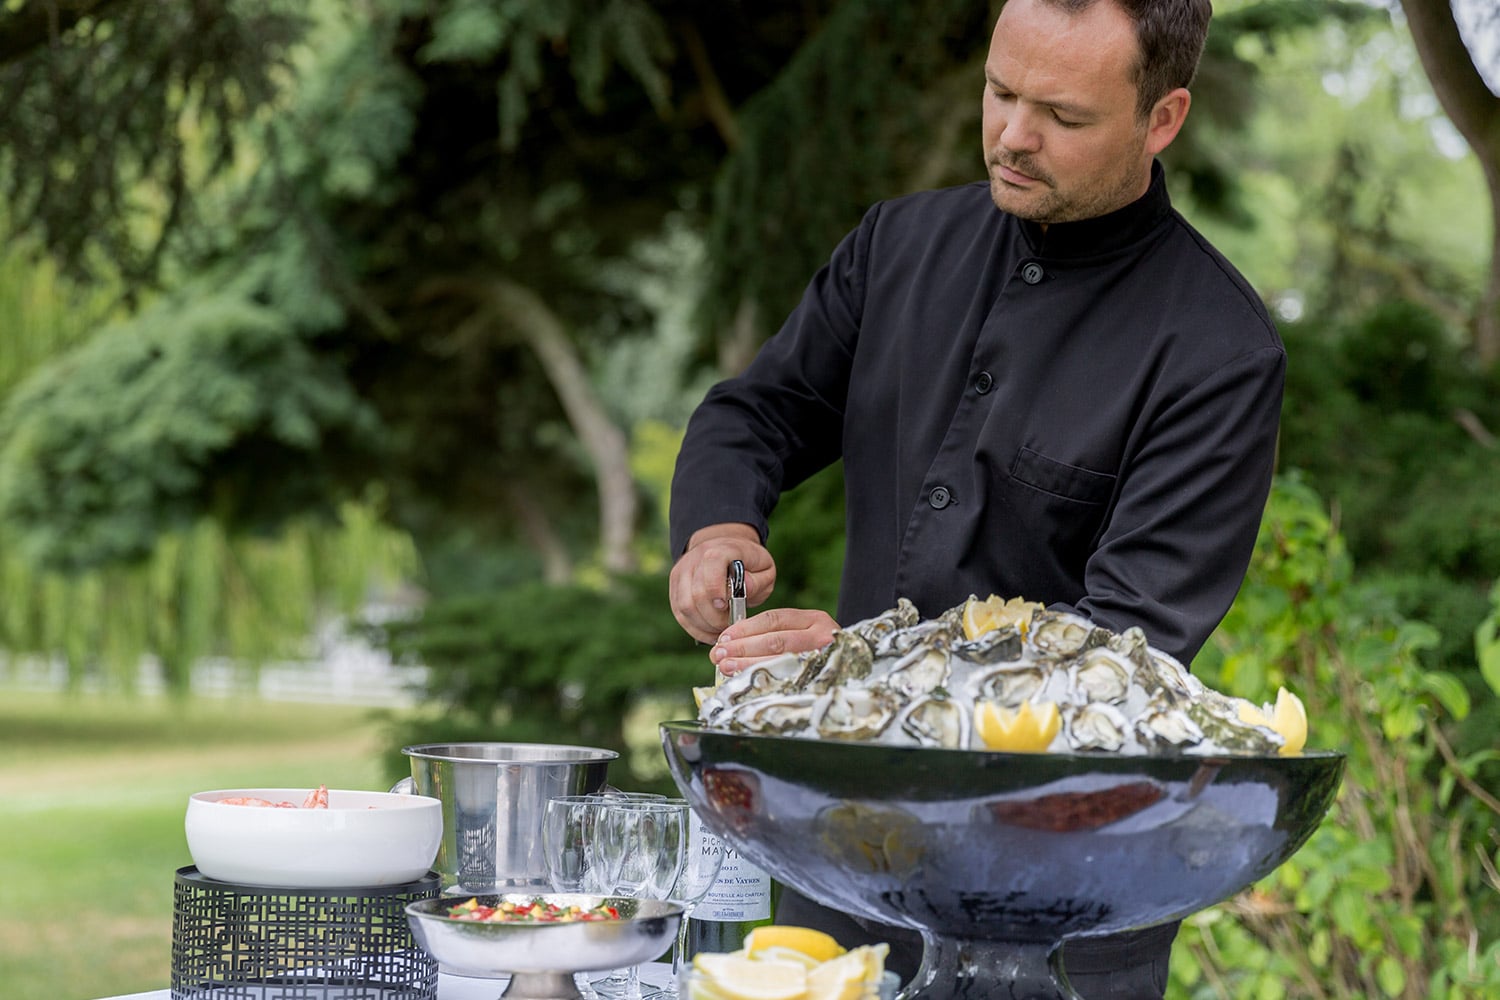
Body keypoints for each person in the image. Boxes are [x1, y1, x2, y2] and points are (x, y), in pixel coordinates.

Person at [668, 0, 1283, 996]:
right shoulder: (897, 244)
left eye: (1063, 116)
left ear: (1162, 118)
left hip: (1064, 910)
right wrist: (718, 526)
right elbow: (757, 409)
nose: (1011, 135)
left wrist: (848, 677)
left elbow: (1116, 658)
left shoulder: (1220, 351)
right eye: (999, 92)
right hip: (842, 878)